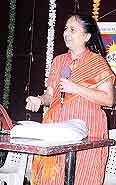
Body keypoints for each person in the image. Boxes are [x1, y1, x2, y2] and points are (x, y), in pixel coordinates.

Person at [25, 14, 114, 185]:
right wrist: (39, 100)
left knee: (83, 177)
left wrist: (76, 88)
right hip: (58, 130)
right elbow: (50, 95)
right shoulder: (59, 61)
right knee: (54, 178)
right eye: (66, 29)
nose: (66, 33)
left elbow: (109, 100)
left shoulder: (97, 62)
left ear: (86, 36)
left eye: (73, 30)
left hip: (88, 132)